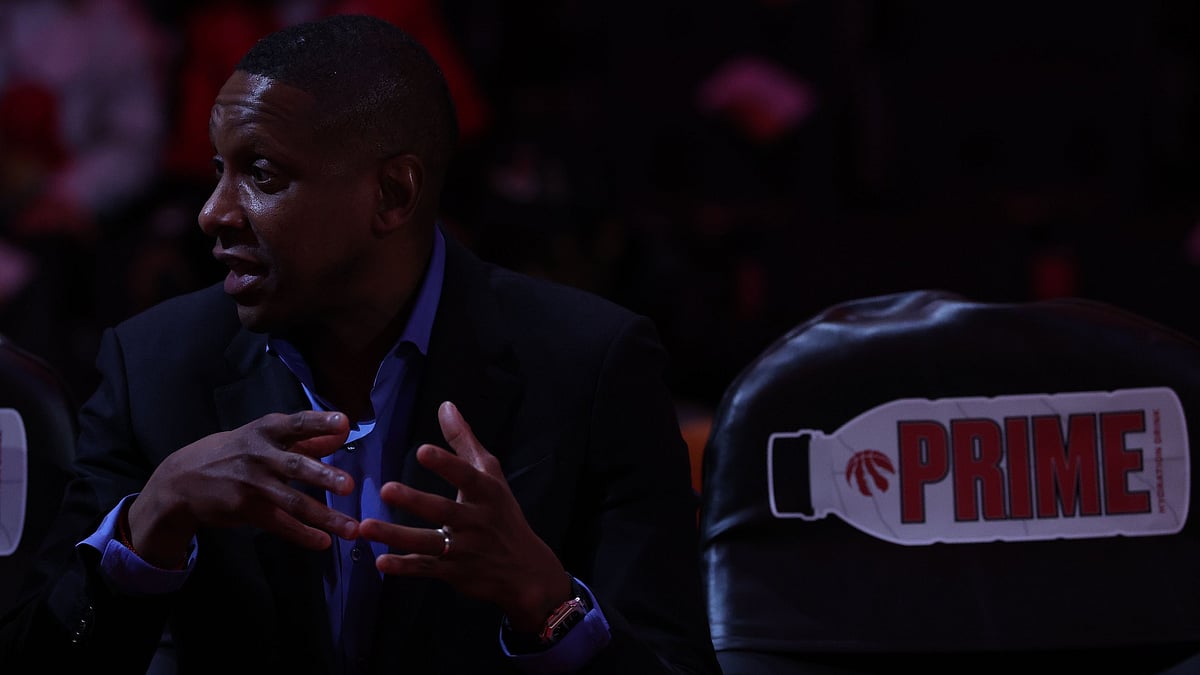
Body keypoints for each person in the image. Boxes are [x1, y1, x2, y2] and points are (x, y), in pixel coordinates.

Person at [0, 14, 720, 675]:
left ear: (393, 195)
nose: (213, 213)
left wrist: (547, 602)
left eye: (261, 173)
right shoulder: (153, 367)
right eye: (219, 169)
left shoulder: (591, 365)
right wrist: (148, 523)